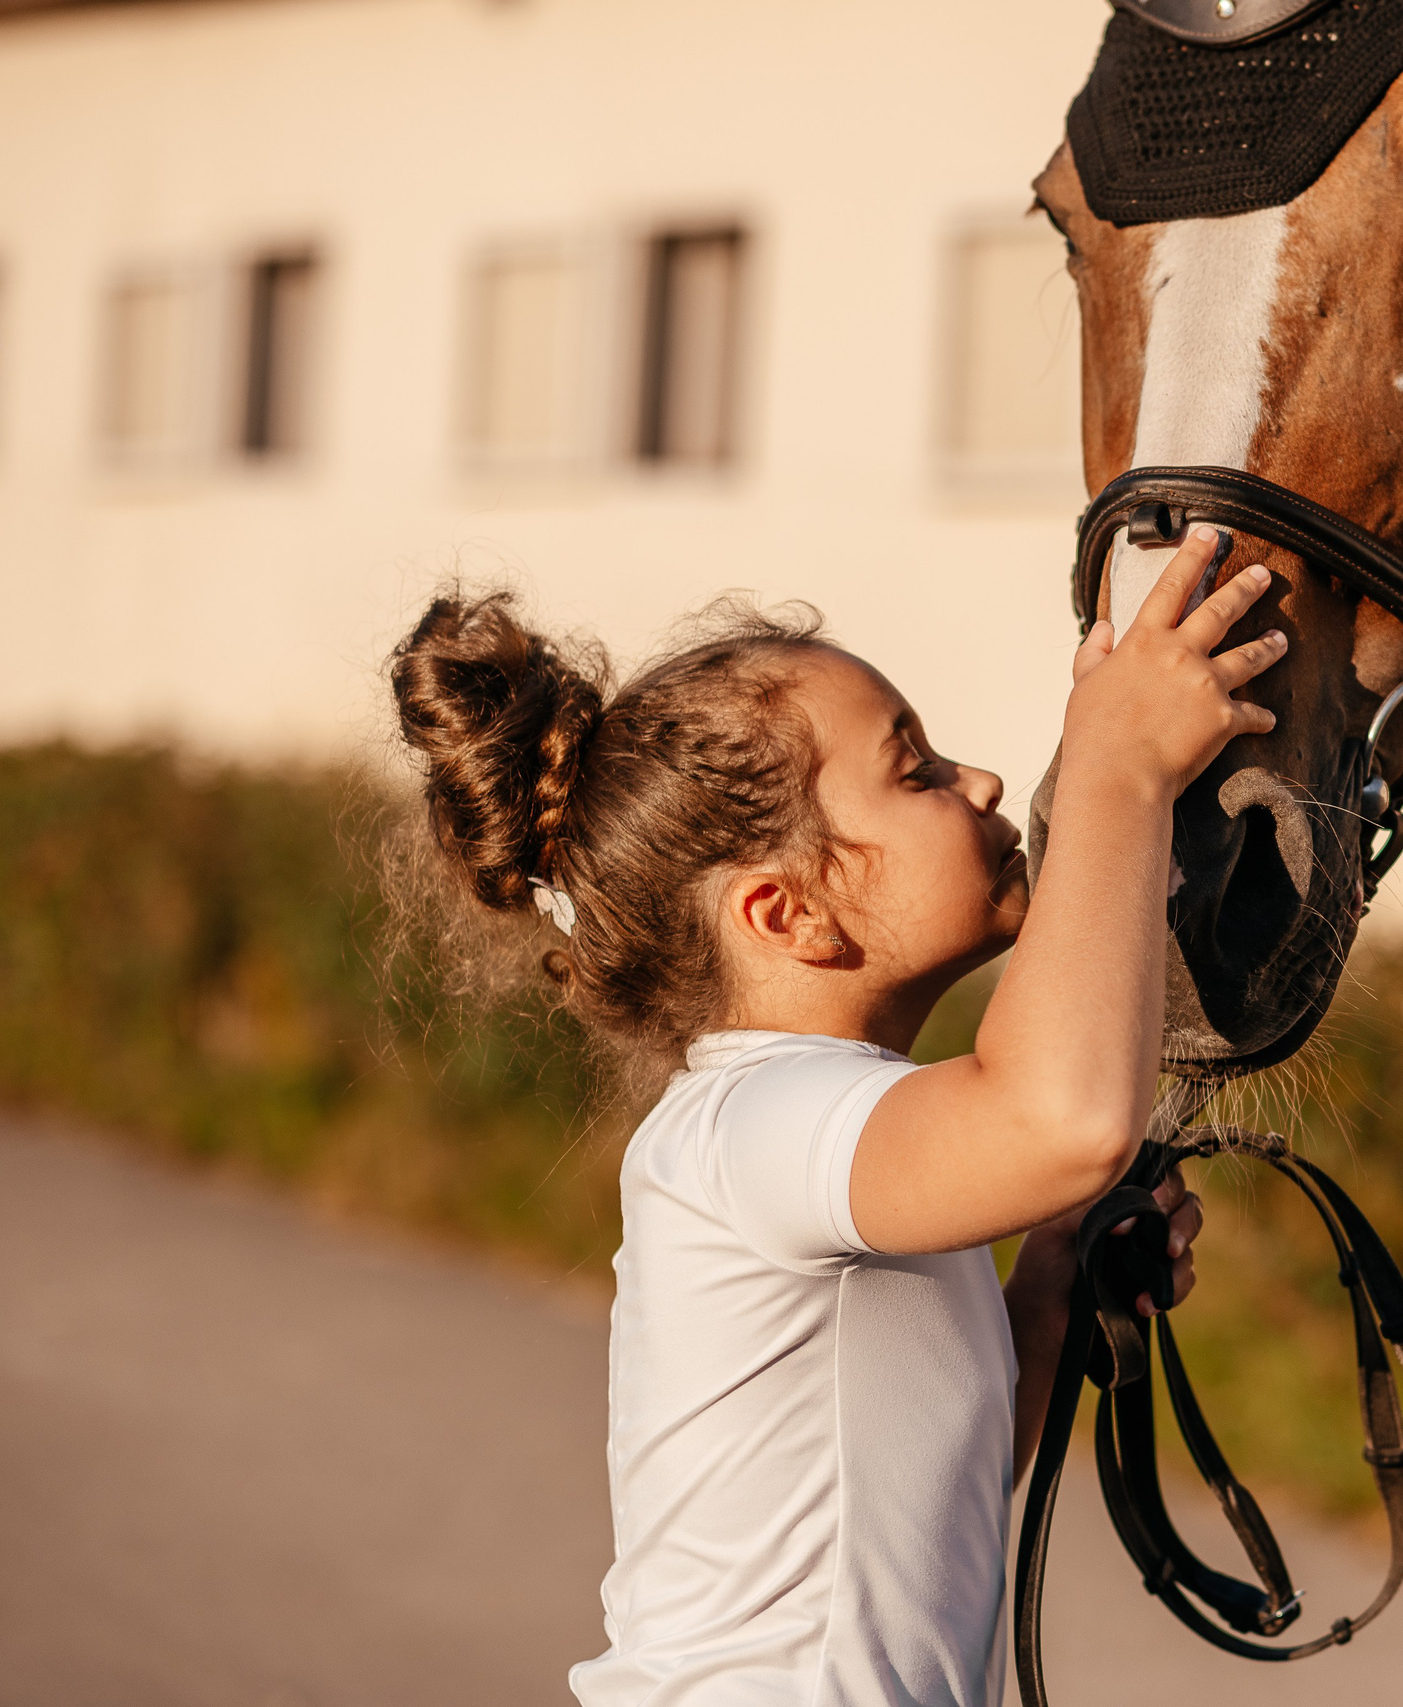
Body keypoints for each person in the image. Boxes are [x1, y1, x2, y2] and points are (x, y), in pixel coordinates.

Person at [383, 527, 1285, 1706]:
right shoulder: (754, 1123)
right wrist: (1119, 769)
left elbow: (928, 1497)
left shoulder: (836, 1133)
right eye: (914, 772)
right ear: (789, 913)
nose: (984, 784)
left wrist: (1051, 1289)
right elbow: (1059, 1119)